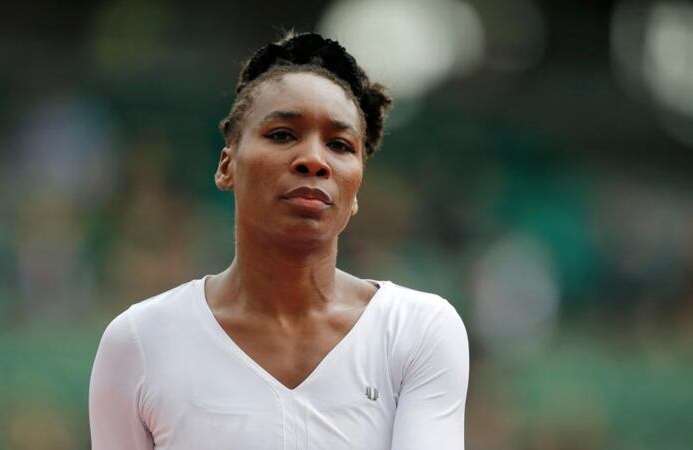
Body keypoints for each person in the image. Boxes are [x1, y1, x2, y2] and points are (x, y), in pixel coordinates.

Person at [89, 32, 469, 450]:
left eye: (340, 145)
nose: (314, 160)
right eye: (283, 134)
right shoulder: (139, 342)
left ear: (356, 188)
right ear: (227, 166)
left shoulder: (416, 330)